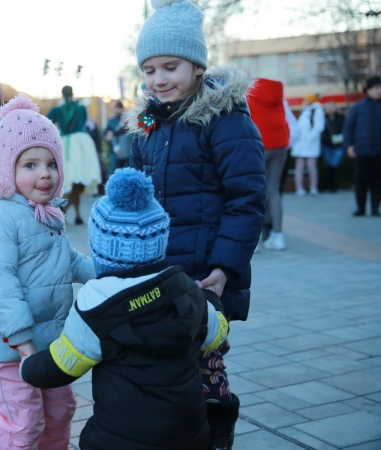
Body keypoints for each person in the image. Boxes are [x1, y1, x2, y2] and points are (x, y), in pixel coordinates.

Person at [128, 1, 266, 447]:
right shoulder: (149, 120)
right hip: (158, 270)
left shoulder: (224, 118)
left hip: (206, 273)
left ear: (197, 65)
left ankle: (216, 434)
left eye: (170, 67)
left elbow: (247, 199)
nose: (159, 80)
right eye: (149, 70)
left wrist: (225, 268)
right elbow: (133, 190)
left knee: (205, 366)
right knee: (165, 367)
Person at [21, 168, 229, 450]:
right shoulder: (184, 287)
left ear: (100, 247)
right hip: (189, 434)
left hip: (119, 438)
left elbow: (64, 364)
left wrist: (29, 366)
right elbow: (217, 334)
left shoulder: (96, 304)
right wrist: (212, 300)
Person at [0, 94, 95, 450]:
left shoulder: (46, 212)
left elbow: (70, 261)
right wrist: (21, 341)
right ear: (8, 169)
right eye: (30, 165)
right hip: (3, 345)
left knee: (60, 409)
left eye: (51, 163)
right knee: (23, 421)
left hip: (45, 342)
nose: (45, 174)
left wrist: (112, 274)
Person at [47, 86, 102, 225]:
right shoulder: (81, 108)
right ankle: (77, 214)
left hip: (66, 143)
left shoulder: (57, 110)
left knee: (73, 179)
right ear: (72, 93)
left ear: (62, 94)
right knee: (80, 179)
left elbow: (46, 123)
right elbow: (84, 123)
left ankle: (65, 208)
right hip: (81, 142)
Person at [247, 78, 291, 251]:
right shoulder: (278, 96)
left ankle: (255, 241)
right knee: (273, 190)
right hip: (281, 144)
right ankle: (278, 236)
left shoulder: (250, 96)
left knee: (256, 191)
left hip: (260, 144)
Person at [343, 74, 381, 217]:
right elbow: (348, 129)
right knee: (361, 181)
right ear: (368, 90)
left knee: (378, 182)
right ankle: (361, 208)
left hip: (378, 152)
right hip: (361, 152)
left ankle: (375, 208)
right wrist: (348, 146)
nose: (379, 90)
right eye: (377, 88)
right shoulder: (357, 108)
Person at [292, 94, 325, 196]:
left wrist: (309, 138)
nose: (304, 101)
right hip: (301, 144)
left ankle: (313, 188)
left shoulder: (317, 110)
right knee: (299, 167)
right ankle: (299, 188)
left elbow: (319, 127)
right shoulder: (305, 110)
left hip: (311, 144)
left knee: (311, 167)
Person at [320, 102, 346, 193]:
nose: (330, 109)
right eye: (328, 107)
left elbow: (345, 129)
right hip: (327, 145)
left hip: (339, 145)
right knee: (328, 164)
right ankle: (331, 186)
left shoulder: (341, 118)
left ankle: (326, 185)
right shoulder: (322, 119)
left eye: (332, 107)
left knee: (334, 164)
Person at [104, 101, 127, 174]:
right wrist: (115, 147)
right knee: (113, 172)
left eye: (120, 108)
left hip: (126, 153)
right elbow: (107, 136)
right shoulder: (111, 121)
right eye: (117, 108)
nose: (118, 110)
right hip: (114, 152)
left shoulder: (126, 121)